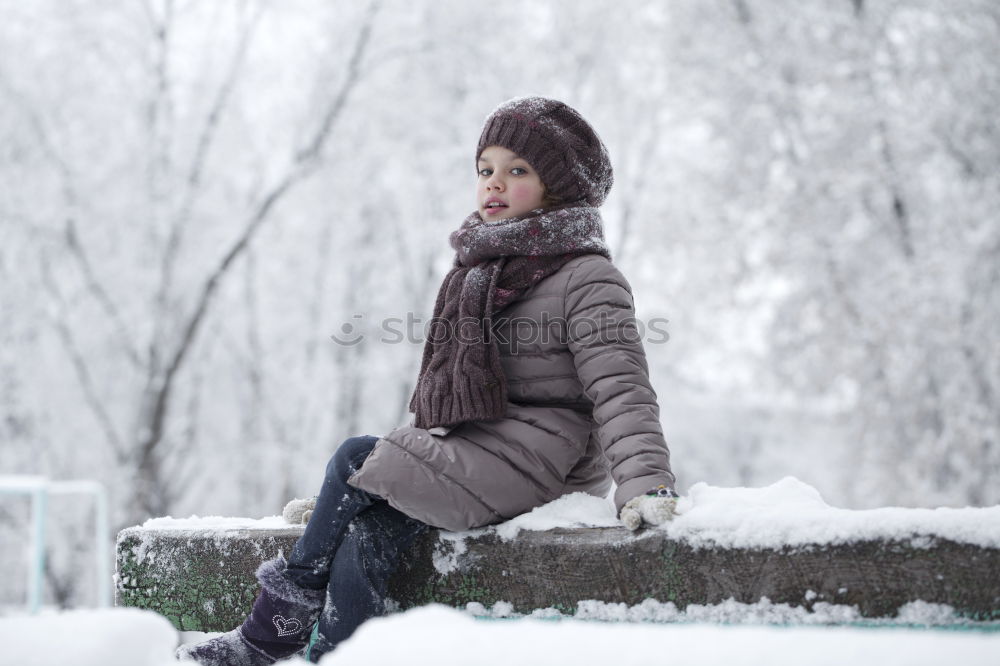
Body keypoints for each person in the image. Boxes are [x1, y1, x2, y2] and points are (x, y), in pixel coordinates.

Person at [176, 96, 679, 665]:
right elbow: (445, 407)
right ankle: (336, 656)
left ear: (558, 188)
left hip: (543, 468)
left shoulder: (588, 277)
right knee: (365, 535)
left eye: (517, 170)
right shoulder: (480, 271)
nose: (494, 183)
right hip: (481, 456)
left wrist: (645, 483)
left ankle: (268, 636)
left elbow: (622, 387)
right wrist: (350, 500)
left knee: (355, 455)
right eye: (485, 169)